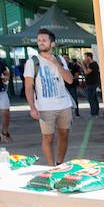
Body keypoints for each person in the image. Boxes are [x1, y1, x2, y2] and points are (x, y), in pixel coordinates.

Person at [24, 29, 74, 165]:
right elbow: (28, 86)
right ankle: (51, 167)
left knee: (64, 136)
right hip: (45, 108)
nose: (41, 43)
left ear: (52, 44)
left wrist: (56, 64)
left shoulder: (60, 59)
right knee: (48, 138)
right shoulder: (32, 62)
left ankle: (59, 163)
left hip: (64, 105)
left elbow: (69, 80)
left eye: (44, 40)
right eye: (39, 40)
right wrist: (32, 107)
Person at [82, 51, 100, 117]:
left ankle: (94, 113)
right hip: (91, 83)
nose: (84, 59)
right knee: (93, 98)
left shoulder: (93, 64)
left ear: (89, 57)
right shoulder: (91, 64)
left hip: (92, 84)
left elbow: (86, 72)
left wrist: (83, 64)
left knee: (91, 98)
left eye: (85, 57)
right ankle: (95, 112)